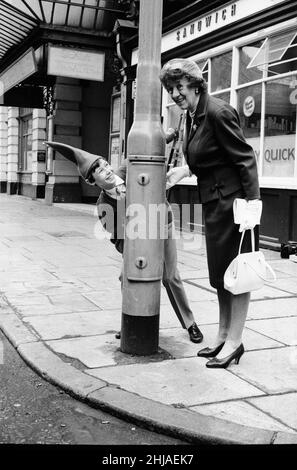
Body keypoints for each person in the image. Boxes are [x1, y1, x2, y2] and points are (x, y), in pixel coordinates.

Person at [44, 141, 204, 344]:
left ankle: (190, 324)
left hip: (162, 224)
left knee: (170, 277)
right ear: (93, 182)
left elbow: (148, 153)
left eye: (105, 165)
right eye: (99, 171)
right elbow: (118, 240)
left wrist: (167, 139)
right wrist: (137, 250)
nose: (106, 171)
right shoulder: (103, 205)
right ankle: (131, 322)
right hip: (136, 239)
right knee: (126, 276)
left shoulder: (128, 168)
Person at [159, 58, 262, 368]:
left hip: (235, 206)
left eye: (178, 87)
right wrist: (184, 171)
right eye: (170, 89)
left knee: (238, 274)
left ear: (194, 84)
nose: (175, 94)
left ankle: (235, 341)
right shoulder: (192, 116)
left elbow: (245, 158)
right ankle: (221, 335)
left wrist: (252, 206)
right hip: (215, 204)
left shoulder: (218, 112)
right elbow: (208, 156)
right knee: (220, 275)